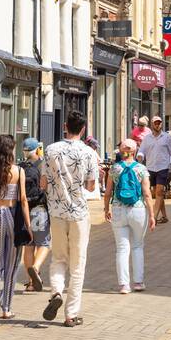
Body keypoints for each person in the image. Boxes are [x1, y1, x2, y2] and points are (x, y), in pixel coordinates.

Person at [40, 110, 100, 327]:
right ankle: (71, 314)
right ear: (83, 129)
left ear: (65, 126)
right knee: (78, 264)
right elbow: (91, 185)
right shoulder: (89, 153)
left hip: (56, 212)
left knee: (58, 258)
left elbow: (43, 182)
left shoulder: (51, 150)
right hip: (78, 213)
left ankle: (56, 292)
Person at [0, 135, 28, 319]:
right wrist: (28, 226)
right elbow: (23, 200)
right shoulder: (17, 171)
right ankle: (6, 308)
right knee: (11, 263)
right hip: (10, 214)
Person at [103, 138, 155, 293]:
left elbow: (107, 193)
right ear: (134, 151)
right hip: (138, 209)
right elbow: (146, 194)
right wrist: (152, 214)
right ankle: (138, 282)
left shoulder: (114, 169)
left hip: (118, 209)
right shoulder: (141, 169)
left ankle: (124, 284)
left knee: (122, 248)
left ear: (121, 151)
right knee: (138, 246)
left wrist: (106, 209)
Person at [18, 137, 50, 292]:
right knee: (43, 243)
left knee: (28, 246)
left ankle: (31, 283)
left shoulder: (19, 167)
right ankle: (36, 268)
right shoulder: (43, 165)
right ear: (38, 149)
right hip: (39, 209)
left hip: (23, 211)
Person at [138, 115, 171, 224]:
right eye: (155, 123)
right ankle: (164, 216)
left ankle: (154, 216)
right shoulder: (147, 138)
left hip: (163, 167)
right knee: (156, 193)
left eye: (159, 122)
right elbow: (141, 150)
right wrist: (140, 156)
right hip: (150, 167)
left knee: (159, 191)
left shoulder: (167, 137)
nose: (157, 124)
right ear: (152, 124)